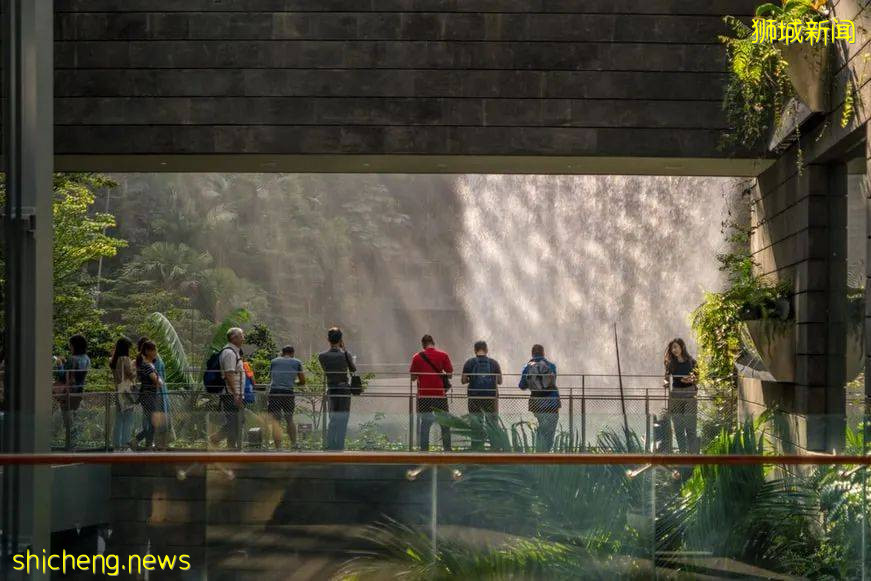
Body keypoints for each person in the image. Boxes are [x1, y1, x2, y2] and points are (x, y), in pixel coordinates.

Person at [409, 334, 453, 452]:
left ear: (423, 345)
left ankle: (424, 450)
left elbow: (413, 377)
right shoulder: (443, 355)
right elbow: (450, 374)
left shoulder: (417, 357)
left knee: (425, 424)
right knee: (445, 423)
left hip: (424, 395)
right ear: (433, 343)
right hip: (440, 395)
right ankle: (447, 449)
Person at [319, 327, 357, 451]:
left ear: (328, 340)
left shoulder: (322, 356)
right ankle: (340, 446)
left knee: (333, 418)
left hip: (331, 388)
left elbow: (326, 370)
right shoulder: (345, 355)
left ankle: (330, 445)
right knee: (343, 418)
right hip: (344, 390)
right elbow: (353, 369)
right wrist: (344, 349)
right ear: (341, 339)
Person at [461, 340, 502, 451]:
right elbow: (500, 381)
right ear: (486, 350)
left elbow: (463, 380)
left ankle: (476, 448)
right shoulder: (494, 363)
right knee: (492, 423)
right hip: (490, 398)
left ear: (475, 350)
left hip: (474, 398)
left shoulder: (469, 363)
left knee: (476, 423)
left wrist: (471, 378)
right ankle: (495, 448)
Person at [519, 344, 560, 452]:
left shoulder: (527, 367)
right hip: (552, 403)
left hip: (537, 404)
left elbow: (522, 386)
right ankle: (547, 454)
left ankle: (539, 455)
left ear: (532, 354)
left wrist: (532, 382)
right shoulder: (551, 366)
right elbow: (552, 380)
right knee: (550, 430)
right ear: (543, 353)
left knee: (540, 429)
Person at [210, 327, 245, 449]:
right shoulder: (229, 353)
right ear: (233, 338)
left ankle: (232, 447)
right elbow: (229, 375)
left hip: (233, 393)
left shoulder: (234, 352)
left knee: (236, 421)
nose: (243, 338)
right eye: (241, 335)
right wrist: (236, 394)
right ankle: (216, 438)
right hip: (231, 394)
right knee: (234, 422)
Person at [663, 338, 699, 454]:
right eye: (672, 348)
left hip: (690, 395)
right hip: (676, 395)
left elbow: (697, 378)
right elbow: (665, 379)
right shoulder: (670, 364)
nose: (674, 350)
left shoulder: (691, 362)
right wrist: (666, 383)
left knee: (690, 426)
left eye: (676, 347)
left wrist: (690, 380)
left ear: (682, 347)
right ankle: (682, 454)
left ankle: (692, 454)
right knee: (678, 428)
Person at [268, 345, 305, 449]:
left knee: (276, 420)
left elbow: (272, 377)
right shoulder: (296, 362)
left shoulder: (274, 361)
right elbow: (302, 381)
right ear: (292, 353)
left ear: (282, 352)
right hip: (288, 393)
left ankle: (278, 447)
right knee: (289, 419)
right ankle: (294, 444)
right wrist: (293, 383)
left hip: (274, 392)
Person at [62, 334, 91, 450]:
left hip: (68, 392)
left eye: (71, 344)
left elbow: (63, 376)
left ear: (74, 345)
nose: (70, 347)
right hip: (80, 390)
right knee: (74, 417)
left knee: (67, 419)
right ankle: (73, 443)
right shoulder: (86, 359)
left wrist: (60, 365)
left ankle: (69, 445)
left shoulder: (72, 359)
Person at [135, 340, 163, 450]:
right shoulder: (146, 365)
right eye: (153, 349)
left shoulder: (150, 364)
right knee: (152, 423)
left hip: (151, 396)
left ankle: (147, 444)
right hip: (148, 397)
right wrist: (159, 380)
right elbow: (158, 381)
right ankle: (139, 441)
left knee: (152, 423)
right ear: (147, 351)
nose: (155, 352)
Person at [110, 337, 137, 450]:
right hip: (126, 391)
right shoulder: (125, 359)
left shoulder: (114, 360)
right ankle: (125, 443)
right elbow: (130, 374)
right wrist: (136, 369)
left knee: (119, 418)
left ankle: (116, 443)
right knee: (128, 418)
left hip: (118, 390)